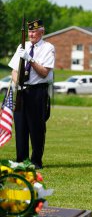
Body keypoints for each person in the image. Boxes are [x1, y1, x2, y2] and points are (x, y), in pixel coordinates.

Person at [8, 19, 55, 169]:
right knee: (20, 127)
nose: (31, 34)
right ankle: (21, 160)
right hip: (22, 90)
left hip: (37, 91)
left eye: (34, 31)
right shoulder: (23, 46)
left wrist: (30, 59)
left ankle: (36, 161)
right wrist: (18, 83)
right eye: (30, 31)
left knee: (36, 128)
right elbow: (14, 70)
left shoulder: (48, 48)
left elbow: (43, 73)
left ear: (42, 32)